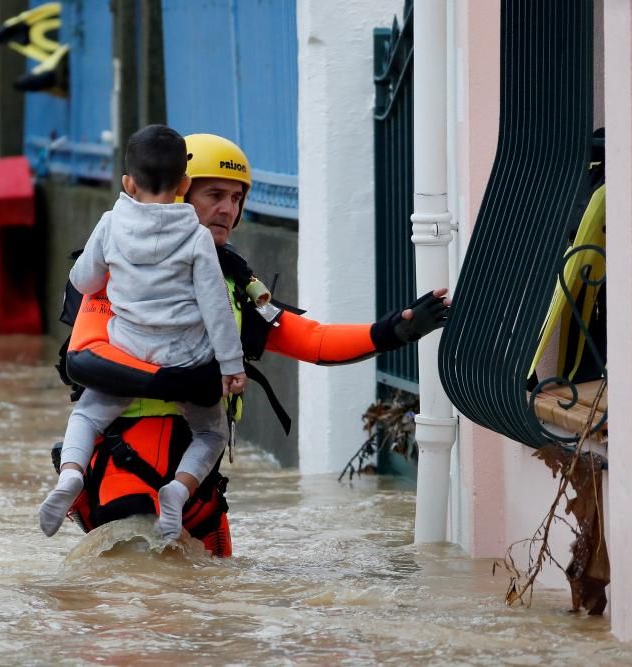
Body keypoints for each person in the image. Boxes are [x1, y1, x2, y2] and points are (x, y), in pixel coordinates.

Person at [51, 133, 451, 554]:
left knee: (220, 607)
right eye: (215, 194)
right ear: (181, 191)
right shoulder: (117, 271)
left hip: (193, 489)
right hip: (125, 471)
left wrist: (391, 332)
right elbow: (86, 358)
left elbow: (312, 341)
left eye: (237, 198)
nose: (228, 209)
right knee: (136, 608)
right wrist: (177, 381)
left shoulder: (237, 288)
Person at [38, 125, 248, 540]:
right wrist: (231, 366)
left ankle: (71, 475)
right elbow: (216, 308)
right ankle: (177, 491)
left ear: (127, 183)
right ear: (184, 184)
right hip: (185, 360)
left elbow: (83, 280)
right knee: (211, 432)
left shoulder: (110, 224)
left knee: (87, 415)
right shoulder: (195, 235)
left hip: (129, 356)